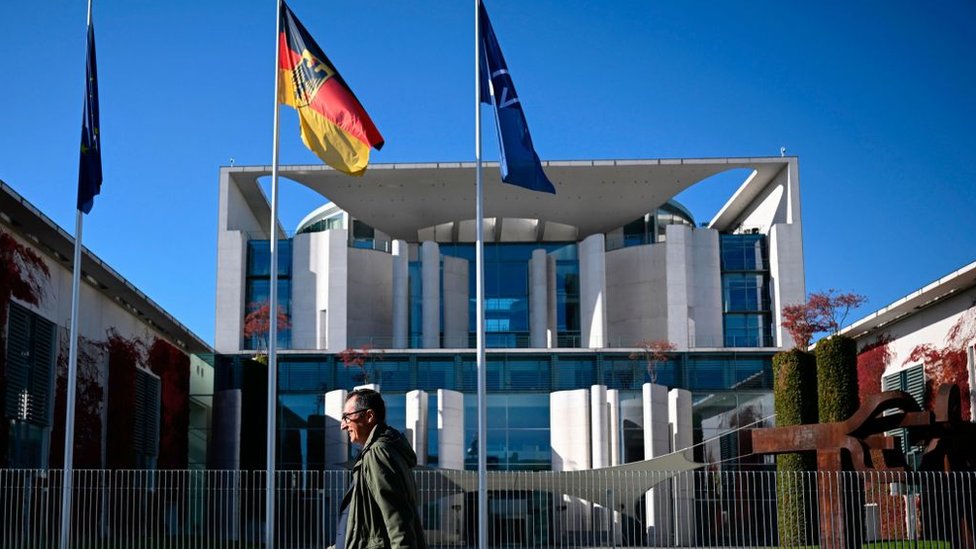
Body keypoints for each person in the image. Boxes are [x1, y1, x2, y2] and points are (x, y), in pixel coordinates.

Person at [331, 388, 427, 549]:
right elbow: (367, 526)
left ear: (369, 416)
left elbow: (397, 518)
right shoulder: (381, 451)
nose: (343, 426)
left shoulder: (377, 453)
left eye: (346, 417)